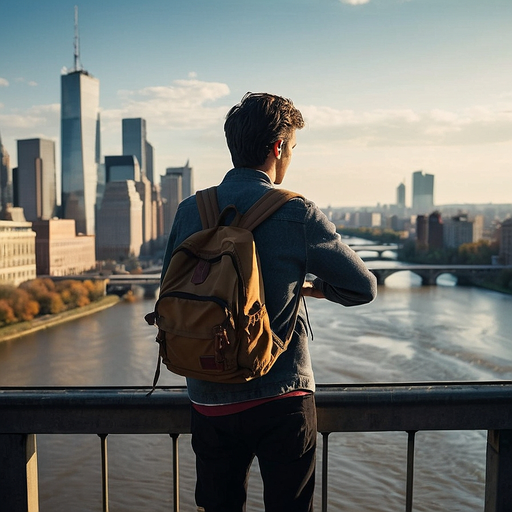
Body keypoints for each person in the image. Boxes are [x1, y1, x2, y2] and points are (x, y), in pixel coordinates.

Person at [160, 92, 377, 512]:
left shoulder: (190, 210)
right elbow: (362, 287)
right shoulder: (296, 212)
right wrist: (313, 289)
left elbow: (172, 288)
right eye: (292, 147)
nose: (291, 156)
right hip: (281, 396)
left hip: (208, 394)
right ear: (278, 147)